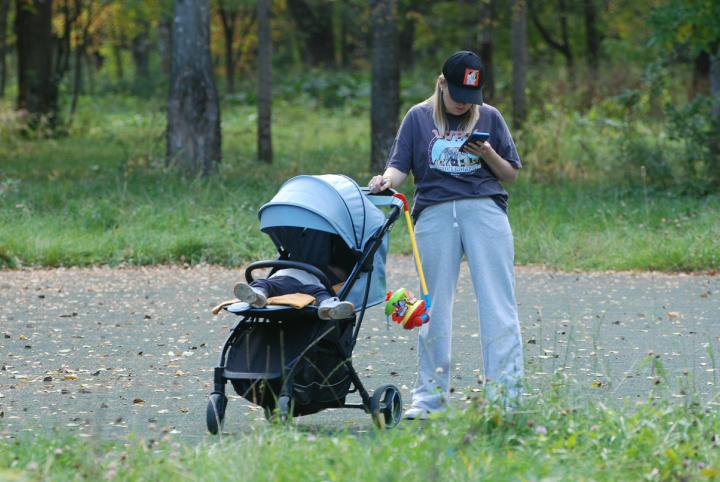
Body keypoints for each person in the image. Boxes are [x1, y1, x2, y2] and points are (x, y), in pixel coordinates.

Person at [368, 50, 524, 419]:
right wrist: (384, 182)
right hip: (435, 214)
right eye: (457, 96)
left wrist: (485, 151)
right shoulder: (417, 118)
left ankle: (505, 397)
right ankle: (430, 400)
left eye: (470, 98)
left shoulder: (489, 116)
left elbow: (510, 174)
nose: (462, 106)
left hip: (484, 210)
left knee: (498, 305)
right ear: (441, 84)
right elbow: (398, 167)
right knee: (433, 307)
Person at [233, 266, 355, 321]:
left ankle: (257, 295)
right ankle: (328, 305)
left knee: (263, 284)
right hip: (307, 286)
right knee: (321, 294)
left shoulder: (293, 262)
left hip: (281, 280)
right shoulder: (321, 273)